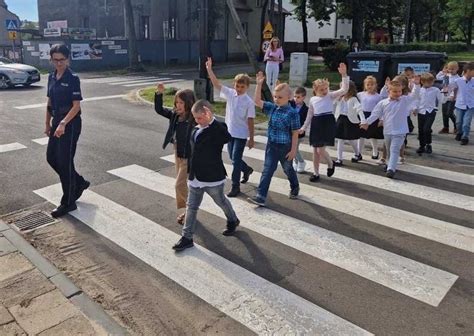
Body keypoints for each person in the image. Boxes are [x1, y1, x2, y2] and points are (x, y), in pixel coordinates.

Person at [172, 100, 240, 252]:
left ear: (209, 113)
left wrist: (212, 121)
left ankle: (233, 219)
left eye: (200, 118)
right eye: (196, 118)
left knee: (221, 201)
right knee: (191, 207)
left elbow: (226, 137)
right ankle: (187, 237)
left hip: (212, 177)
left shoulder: (218, 127)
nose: (197, 121)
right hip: (195, 177)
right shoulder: (196, 128)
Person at [45, 44, 89, 218]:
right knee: (51, 158)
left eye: (62, 59)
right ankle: (78, 182)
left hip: (70, 124)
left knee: (64, 161)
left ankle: (68, 201)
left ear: (67, 59)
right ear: (51, 59)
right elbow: (49, 103)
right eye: (55, 60)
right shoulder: (51, 77)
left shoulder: (73, 78)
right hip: (57, 122)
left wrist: (63, 123)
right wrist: (48, 124)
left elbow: (76, 106)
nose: (59, 63)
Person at [248, 72, 300, 207]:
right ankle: (260, 196)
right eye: (275, 96)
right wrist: (259, 84)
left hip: (285, 147)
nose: (277, 99)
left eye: (280, 97)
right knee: (267, 170)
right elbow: (257, 101)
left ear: (289, 97)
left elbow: (295, 133)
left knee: (288, 169)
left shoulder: (292, 113)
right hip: (272, 145)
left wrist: (294, 150)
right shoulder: (272, 108)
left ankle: (295, 186)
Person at [205, 57, 255, 197]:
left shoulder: (248, 102)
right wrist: (209, 69)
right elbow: (216, 84)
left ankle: (235, 187)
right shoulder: (231, 94)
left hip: (240, 134)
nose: (239, 89)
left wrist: (251, 138)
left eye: (242, 87)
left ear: (247, 87)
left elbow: (250, 120)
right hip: (229, 133)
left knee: (235, 161)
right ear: (234, 85)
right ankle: (247, 169)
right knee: (234, 159)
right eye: (237, 86)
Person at [361, 78, 420, 179]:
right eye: (395, 91)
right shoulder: (383, 103)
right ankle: (389, 164)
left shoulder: (404, 100)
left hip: (400, 131)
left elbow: (414, 95)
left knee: (394, 149)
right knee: (389, 149)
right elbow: (375, 114)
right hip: (388, 130)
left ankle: (391, 169)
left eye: (399, 91)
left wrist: (417, 85)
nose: (397, 93)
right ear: (389, 91)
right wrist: (367, 122)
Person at [154, 83, 196, 224]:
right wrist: (159, 94)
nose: (178, 105)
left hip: (188, 156)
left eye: (181, 103)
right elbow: (159, 109)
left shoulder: (194, 119)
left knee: (179, 185)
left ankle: (190, 212)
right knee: (183, 185)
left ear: (189, 103)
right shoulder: (174, 116)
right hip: (177, 152)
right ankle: (187, 211)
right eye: (176, 102)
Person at [299, 63, 349, 182]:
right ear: (315, 90)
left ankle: (331, 163)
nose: (325, 91)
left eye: (326, 88)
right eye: (322, 90)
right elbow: (310, 115)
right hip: (317, 123)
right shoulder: (313, 100)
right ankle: (316, 173)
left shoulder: (330, 96)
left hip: (327, 122)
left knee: (320, 150)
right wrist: (304, 127)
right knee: (315, 151)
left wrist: (344, 75)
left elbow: (344, 89)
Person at [334, 81, 366, 165]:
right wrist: (337, 99)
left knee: (352, 140)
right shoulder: (340, 98)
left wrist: (363, 120)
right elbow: (333, 104)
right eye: (341, 88)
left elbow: (359, 109)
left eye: (344, 88)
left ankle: (357, 153)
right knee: (340, 139)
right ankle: (339, 159)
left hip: (350, 121)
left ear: (349, 89)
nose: (342, 90)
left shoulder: (353, 99)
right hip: (341, 119)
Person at [415, 73, 445, 155]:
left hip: (431, 111)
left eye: (431, 82)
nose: (430, 84)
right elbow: (416, 100)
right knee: (421, 129)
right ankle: (422, 145)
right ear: (423, 82)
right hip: (421, 111)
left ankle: (428, 144)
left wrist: (445, 93)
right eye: (428, 82)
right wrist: (415, 108)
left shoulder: (435, 90)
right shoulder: (419, 90)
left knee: (427, 129)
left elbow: (441, 100)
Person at [357, 76, 384, 160]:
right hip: (362, 116)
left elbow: (381, 109)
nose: (369, 86)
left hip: (373, 116)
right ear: (365, 85)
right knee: (360, 136)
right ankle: (358, 153)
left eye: (372, 84)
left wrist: (381, 118)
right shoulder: (360, 94)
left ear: (375, 85)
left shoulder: (378, 97)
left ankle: (375, 152)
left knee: (373, 136)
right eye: (367, 84)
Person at [450, 62, 474, 145]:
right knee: (459, 122)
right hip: (460, 104)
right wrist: (453, 96)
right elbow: (453, 88)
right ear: (468, 71)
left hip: (471, 105)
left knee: (466, 123)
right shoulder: (458, 80)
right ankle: (459, 132)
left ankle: (465, 137)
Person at [437, 61, 459, 134]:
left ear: (457, 69)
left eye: (453, 69)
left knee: (449, 113)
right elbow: (438, 77)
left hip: (452, 98)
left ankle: (457, 126)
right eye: (449, 69)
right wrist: (443, 71)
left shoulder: (457, 78)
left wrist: (453, 96)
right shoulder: (446, 75)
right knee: (444, 113)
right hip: (445, 96)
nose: (451, 70)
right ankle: (445, 127)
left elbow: (456, 88)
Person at [289, 87, 308, 173]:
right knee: (291, 148)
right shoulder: (291, 104)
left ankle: (301, 162)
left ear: (303, 97)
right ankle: (296, 163)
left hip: (299, 133)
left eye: (298, 97)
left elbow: (306, 121)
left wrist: (303, 129)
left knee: (295, 149)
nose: (296, 99)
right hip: (290, 132)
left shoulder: (306, 109)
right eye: (295, 96)